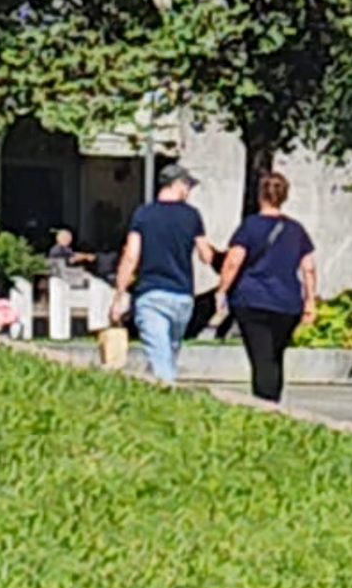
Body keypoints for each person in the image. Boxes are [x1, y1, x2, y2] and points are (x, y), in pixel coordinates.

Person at [211, 167, 319, 405]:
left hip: (252, 300)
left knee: (261, 356)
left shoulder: (250, 226)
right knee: (275, 355)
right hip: (287, 302)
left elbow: (233, 261)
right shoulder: (296, 230)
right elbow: (308, 266)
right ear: (284, 196)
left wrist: (222, 290)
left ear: (261, 195)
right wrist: (310, 300)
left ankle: (264, 405)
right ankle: (274, 400)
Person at [111, 160, 208, 384]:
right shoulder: (192, 216)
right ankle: (167, 399)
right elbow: (205, 254)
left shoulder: (143, 215)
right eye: (188, 186)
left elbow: (131, 256)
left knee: (159, 358)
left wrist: (119, 294)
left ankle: (167, 399)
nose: (188, 191)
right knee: (169, 354)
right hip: (183, 296)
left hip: (151, 294)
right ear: (177, 185)